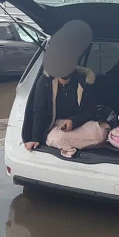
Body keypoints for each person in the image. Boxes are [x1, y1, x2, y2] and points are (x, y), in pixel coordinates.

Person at [25, 20, 98, 153]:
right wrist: (34, 138)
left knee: (98, 133)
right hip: (55, 128)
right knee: (56, 137)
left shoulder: (84, 81)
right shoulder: (45, 82)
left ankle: (68, 146)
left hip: (80, 126)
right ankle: (67, 145)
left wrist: (73, 121)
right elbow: (38, 112)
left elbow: (91, 111)